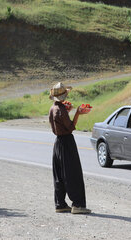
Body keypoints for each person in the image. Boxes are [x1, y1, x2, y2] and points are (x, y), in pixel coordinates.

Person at [48, 82, 91, 214]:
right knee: (73, 174)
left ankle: (60, 204)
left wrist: (67, 112)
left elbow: (58, 123)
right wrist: (77, 113)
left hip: (58, 143)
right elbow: (71, 127)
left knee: (59, 175)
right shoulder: (61, 110)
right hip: (67, 142)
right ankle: (78, 205)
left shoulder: (53, 109)